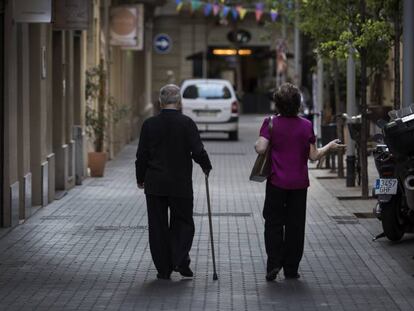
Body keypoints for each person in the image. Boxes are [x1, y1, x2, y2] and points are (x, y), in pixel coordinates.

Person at [255, 83, 344, 281]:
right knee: (295, 226)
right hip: (299, 185)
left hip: (276, 183)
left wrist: (259, 142)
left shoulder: (270, 123)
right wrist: (329, 147)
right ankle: (291, 269)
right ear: (298, 104)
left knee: (273, 223)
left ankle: (274, 263)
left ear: (277, 104)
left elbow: (261, 148)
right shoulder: (306, 125)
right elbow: (313, 156)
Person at [135, 84, 212, 280]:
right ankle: (179, 259)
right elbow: (197, 151)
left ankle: (164, 268)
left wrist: (140, 177)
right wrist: (206, 165)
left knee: (158, 226)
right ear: (179, 101)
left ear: (160, 102)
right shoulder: (187, 123)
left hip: (155, 183)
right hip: (180, 183)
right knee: (184, 222)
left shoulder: (149, 124)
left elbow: (141, 155)